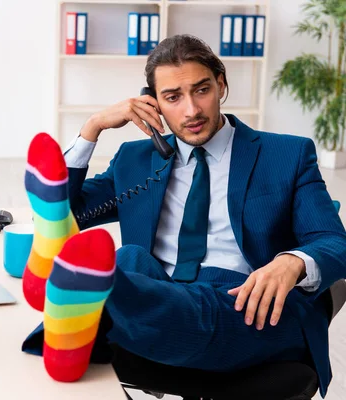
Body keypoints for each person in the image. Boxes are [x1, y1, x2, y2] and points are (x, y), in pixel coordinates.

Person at [20, 34, 346, 398]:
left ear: (222, 85)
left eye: (201, 90)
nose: (191, 110)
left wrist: (291, 262)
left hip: (247, 303)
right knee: (131, 258)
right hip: (159, 292)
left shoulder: (286, 154)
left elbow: (334, 242)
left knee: (169, 292)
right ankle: (98, 295)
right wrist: (92, 128)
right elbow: (69, 214)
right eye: (173, 97)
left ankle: (83, 306)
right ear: (152, 104)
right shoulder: (137, 159)